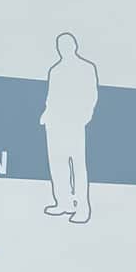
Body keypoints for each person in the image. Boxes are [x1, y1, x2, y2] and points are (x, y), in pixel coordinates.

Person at [40, 33, 99, 224]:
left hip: (73, 123)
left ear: (74, 46)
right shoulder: (55, 70)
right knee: (57, 165)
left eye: (66, 45)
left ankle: (82, 208)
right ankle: (63, 203)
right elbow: (51, 96)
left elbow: (91, 95)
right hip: (54, 123)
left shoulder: (86, 68)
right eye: (60, 45)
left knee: (77, 166)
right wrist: (46, 114)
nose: (63, 48)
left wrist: (84, 117)